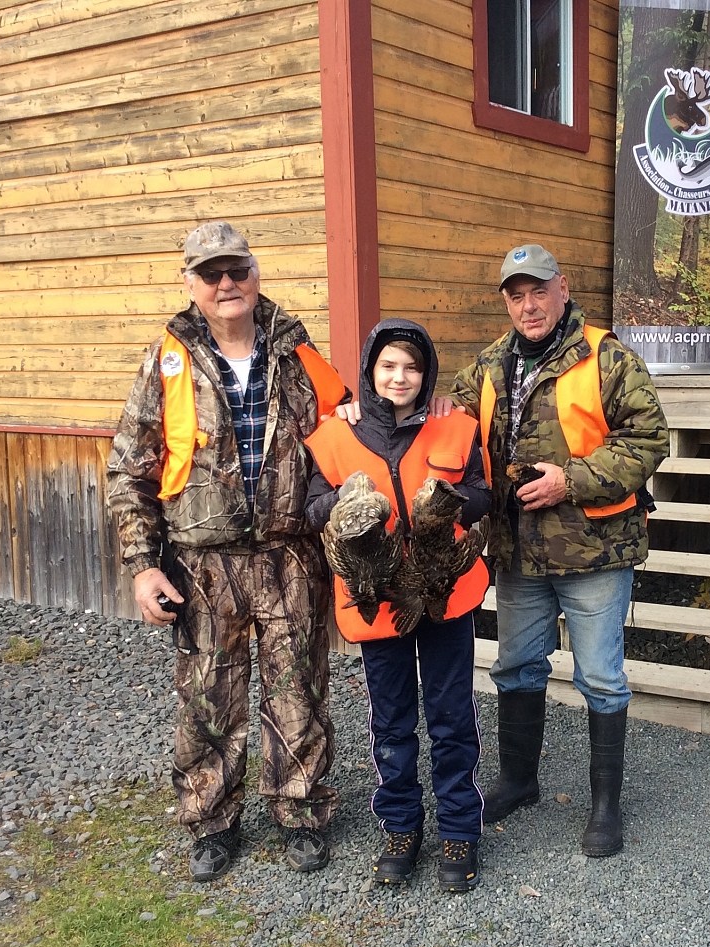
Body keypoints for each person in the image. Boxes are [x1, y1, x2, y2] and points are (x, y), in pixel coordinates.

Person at [107, 221, 350, 882]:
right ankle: (212, 822)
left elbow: (346, 431)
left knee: (299, 690)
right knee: (208, 697)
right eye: (210, 273)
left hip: (290, 556)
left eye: (236, 270)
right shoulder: (166, 361)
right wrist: (143, 566)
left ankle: (300, 810)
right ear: (190, 283)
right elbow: (129, 470)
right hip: (202, 563)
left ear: (255, 272)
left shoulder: (299, 352)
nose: (226, 284)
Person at [454, 244, 668, 857]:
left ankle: (605, 806)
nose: (529, 305)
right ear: (506, 302)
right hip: (518, 553)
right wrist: (370, 408)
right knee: (516, 667)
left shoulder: (608, 357)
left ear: (563, 289)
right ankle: (519, 781)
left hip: (594, 550)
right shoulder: (486, 368)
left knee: (600, 677)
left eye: (539, 291)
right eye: (516, 295)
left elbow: (648, 440)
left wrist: (568, 481)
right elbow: (447, 427)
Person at [305, 319, 491, 891]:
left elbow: (483, 493)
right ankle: (401, 826)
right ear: (369, 371)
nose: (399, 377)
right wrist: (347, 502)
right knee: (391, 721)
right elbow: (312, 508)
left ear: (427, 374)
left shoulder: (455, 425)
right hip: (377, 597)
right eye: (387, 366)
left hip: (443, 595)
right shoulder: (335, 435)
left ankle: (459, 828)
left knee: (451, 715)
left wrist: (449, 505)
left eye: (412, 367)